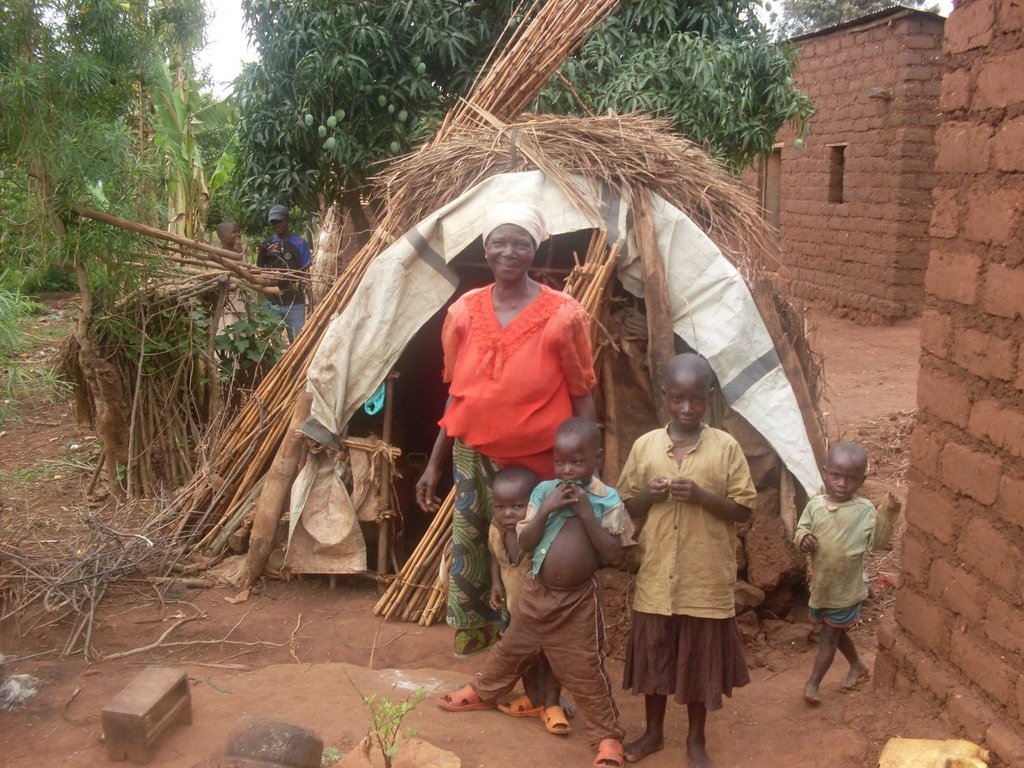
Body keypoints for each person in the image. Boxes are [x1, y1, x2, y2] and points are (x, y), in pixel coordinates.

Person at [415, 201, 597, 658]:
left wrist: (589, 471)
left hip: (538, 464)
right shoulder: (462, 313)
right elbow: (458, 394)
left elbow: (582, 393)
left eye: (521, 243)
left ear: (535, 249)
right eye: (499, 242)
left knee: (535, 556)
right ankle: (486, 652)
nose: (509, 252)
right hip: (472, 457)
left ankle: (536, 655)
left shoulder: (564, 315)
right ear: (486, 247)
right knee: (476, 550)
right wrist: (433, 465)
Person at [438, 417, 634, 768]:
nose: (568, 470)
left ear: (597, 459)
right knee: (510, 649)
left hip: (576, 603)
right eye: (560, 462)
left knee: (585, 670)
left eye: (578, 462)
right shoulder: (544, 493)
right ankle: (483, 692)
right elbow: (526, 542)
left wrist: (585, 512)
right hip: (535, 593)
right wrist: (546, 508)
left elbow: (613, 554)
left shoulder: (607, 500)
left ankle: (607, 737)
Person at [617, 353, 756, 767]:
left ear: (710, 398)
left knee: (698, 662)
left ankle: (696, 740)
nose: (687, 408)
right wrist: (650, 496)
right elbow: (627, 505)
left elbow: (744, 509)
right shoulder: (646, 447)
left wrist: (702, 497)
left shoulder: (725, 447)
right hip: (659, 576)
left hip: (704, 578)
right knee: (656, 657)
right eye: (678, 399)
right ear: (664, 398)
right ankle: (654, 733)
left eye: (697, 400)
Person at [795, 441, 875, 705]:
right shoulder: (815, 506)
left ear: (862, 480)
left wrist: (888, 518)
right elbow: (801, 529)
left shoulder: (864, 511)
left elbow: (877, 541)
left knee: (829, 636)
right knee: (835, 631)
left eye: (851, 478)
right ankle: (858, 665)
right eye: (836, 475)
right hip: (822, 587)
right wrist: (804, 537)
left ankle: (813, 684)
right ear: (825, 472)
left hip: (846, 590)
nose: (842, 483)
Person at [488, 466, 566, 733]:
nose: (508, 514)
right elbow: (495, 557)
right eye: (500, 506)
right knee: (524, 659)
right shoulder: (496, 530)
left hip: (543, 612)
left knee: (550, 658)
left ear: (534, 504)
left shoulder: (541, 532)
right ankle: (533, 698)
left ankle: (553, 704)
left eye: (517, 506)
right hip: (515, 611)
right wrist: (496, 584)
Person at [257, 204, 312, 342]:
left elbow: (306, 273)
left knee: (298, 342)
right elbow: (260, 272)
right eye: (273, 222)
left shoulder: (300, 243)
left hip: (295, 302)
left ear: (288, 220)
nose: (277, 225)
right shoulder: (266, 245)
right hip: (271, 303)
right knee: (270, 344)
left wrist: (311, 300)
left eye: (280, 221)